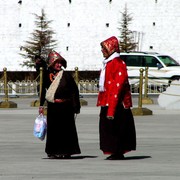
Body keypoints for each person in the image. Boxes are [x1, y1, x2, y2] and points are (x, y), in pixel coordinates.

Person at [97, 36, 136, 160]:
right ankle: (114, 151)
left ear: (111, 49)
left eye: (104, 48)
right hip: (108, 102)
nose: (102, 51)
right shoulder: (107, 64)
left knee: (117, 129)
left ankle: (118, 151)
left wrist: (111, 110)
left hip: (117, 104)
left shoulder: (118, 64)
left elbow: (117, 88)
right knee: (108, 129)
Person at [38, 50, 81, 159]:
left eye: (61, 63)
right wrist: (41, 105)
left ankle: (67, 151)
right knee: (54, 130)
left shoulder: (66, 75)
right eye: (57, 62)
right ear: (52, 63)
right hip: (53, 107)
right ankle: (53, 151)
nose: (59, 65)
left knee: (66, 130)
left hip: (66, 107)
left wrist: (76, 107)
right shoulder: (47, 75)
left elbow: (74, 91)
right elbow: (43, 90)